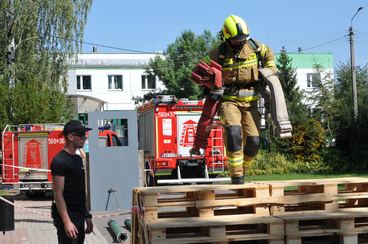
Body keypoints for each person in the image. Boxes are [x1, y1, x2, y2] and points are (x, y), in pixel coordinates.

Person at [208, 15, 278, 184]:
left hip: (251, 104)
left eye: (242, 38)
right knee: (234, 134)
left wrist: (270, 68)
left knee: (253, 142)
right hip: (229, 102)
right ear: (226, 37)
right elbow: (203, 69)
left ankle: (243, 170)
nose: (240, 41)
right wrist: (208, 80)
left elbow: (269, 54)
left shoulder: (255, 47)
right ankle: (236, 175)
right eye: (236, 39)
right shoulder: (219, 53)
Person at [51, 120, 94, 244]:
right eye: (81, 135)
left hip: (79, 215)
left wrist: (87, 216)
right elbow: (58, 193)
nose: (84, 138)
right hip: (68, 217)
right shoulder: (60, 161)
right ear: (70, 137)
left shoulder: (77, 159)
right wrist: (66, 222)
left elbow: (80, 191)